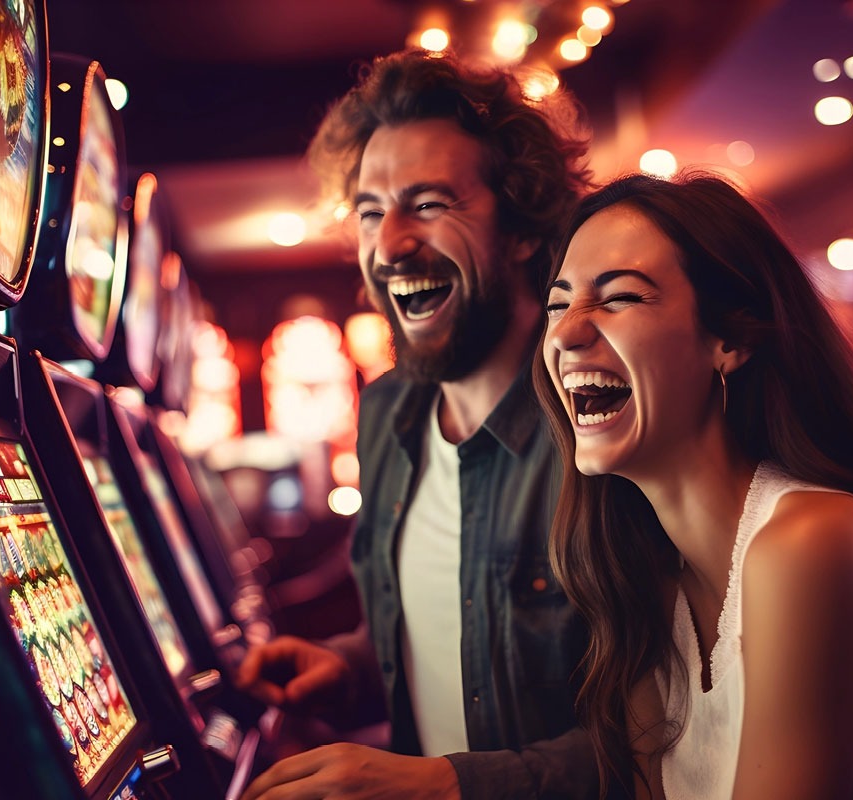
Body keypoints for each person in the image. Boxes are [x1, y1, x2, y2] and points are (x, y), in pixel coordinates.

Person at [536, 173, 853, 799]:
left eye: (620, 299)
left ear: (732, 340)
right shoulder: (649, 576)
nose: (566, 332)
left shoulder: (813, 542)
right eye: (559, 304)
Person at [237, 50, 597, 799]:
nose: (391, 244)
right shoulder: (387, 413)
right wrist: (350, 668)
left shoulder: (600, 427)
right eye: (371, 212)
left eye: (429, 204)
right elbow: (441, 636)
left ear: (525, 227)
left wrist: (446, 786)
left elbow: (680, 733)